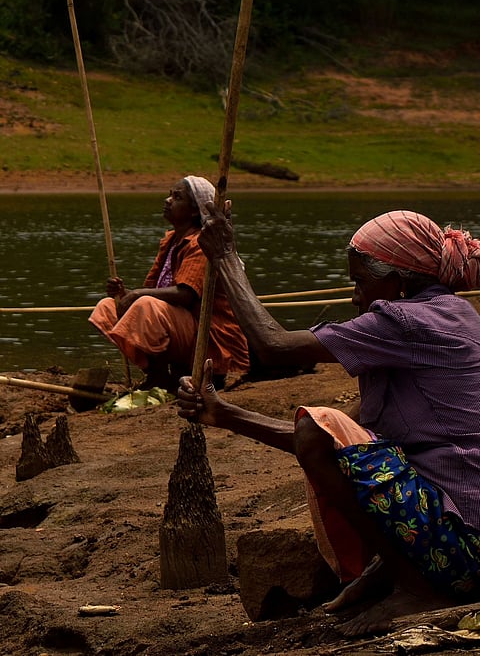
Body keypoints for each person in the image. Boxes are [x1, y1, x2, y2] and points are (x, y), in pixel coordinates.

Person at [178, 206, 480, 636]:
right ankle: (390, 573)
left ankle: (417, 589)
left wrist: (225, 257)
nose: (357, 297)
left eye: (360, 282)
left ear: (397, 282)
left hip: (464, 545)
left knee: (316, 425)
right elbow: (333, 446)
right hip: (462, 543)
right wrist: (224, 413)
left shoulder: (405, 322)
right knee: (324, 431)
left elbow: (274, 346)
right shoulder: (452, 315)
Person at [89, 176, 249, 393]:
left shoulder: (201, 242)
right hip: (176, 323)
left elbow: (186, 295)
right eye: (170, 194)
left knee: (144, 305)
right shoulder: (171, 241)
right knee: (107, 307)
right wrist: (124, 293)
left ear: (194, 211)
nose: (167, 200)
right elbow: (155, 290)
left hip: (206, 332)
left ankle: (160, 377)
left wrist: (137, 295)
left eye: (177, 197)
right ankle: (157, 373)